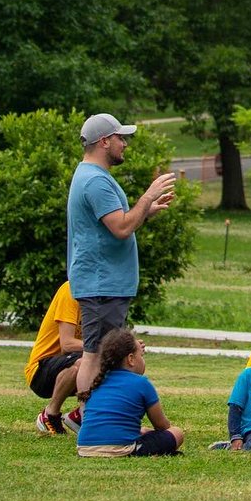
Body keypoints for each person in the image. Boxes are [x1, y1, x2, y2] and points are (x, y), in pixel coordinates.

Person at [68, 113, 176, 402]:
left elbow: (115, 223)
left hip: (103, 281)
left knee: (100, 352)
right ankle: (89, 419)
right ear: (104, 141)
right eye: (120, 137)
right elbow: (121, 227)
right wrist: (147, 196)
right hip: (102, 283)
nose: (124, 143)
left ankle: (90, 418)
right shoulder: (96, 182)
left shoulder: (92, 176)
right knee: (96, 354)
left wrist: (147, 211)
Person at [75, 328, 184, 458]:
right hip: (120, 449)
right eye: (141, 356)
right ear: (131, 359)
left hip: (84, 448)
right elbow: (162, 426)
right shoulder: (141, 383)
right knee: (177, 432)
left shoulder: (97, 382)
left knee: (142, 431)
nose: (143, 360)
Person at [26, 280, 84, 435]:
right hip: (40, 371)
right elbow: (67, 344)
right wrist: (106, 347)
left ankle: (79, 416)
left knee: (132, 361)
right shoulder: (71, 290)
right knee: (85, 362)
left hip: (75, 359)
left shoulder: (105, 298)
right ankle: (50, 414)